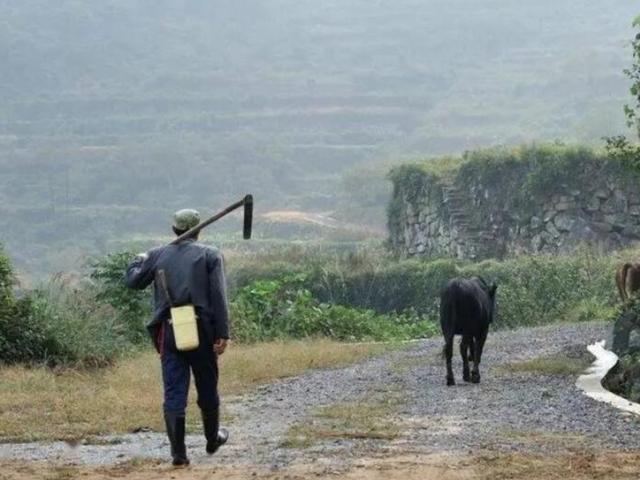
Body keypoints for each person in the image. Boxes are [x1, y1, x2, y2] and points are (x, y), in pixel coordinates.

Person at [125, 209, 230, 466]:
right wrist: (223, 332)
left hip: (170, 330)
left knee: (174, 389)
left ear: (174, 229)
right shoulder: (210, 254)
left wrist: (138, 259)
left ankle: (179, 455)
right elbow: (219, 295)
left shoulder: (159, 254)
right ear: (199, 229)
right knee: (207, 384)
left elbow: (133, 281)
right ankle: (211, 438)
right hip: (203, 329)